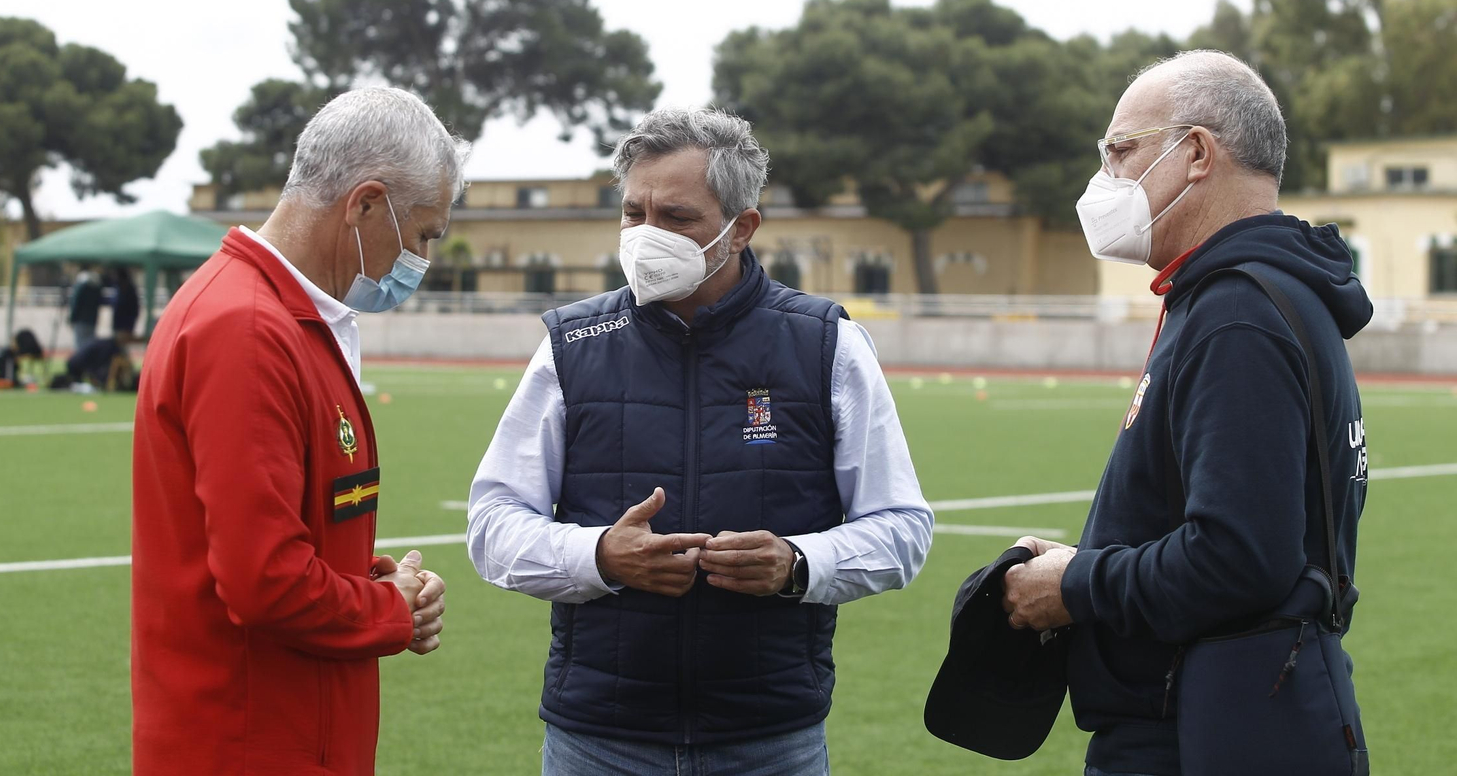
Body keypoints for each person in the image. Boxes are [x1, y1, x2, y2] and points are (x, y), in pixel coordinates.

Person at [467, 106, 933, 775]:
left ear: (742, 228)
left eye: (677, 218)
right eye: (634, 213)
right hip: (598, 739)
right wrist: (599, 553)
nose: (646, 235)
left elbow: (902, 526)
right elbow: (491, 524)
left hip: (770, 740)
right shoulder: (570, 345)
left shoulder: (826, 343)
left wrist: (798, 563)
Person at [1001, 51, 1372, 776]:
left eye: (1120, 151)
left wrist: (1075, 584)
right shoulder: (1251, 294)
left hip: (1208, 726)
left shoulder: (1237, 312)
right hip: (1240, 706)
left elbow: (1239, 560)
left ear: (1196, 152)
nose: (1103, 179)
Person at [132, 87, 467, 776]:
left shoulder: (279, 315)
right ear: (366, 203)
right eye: (426, 233)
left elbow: (286, 533)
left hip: (288, 727)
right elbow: (264, 581)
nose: (424, 258)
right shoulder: (249, 328)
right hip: (252, 738)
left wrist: (378, 583)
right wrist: (384, 605)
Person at [67, 264, 102, 351]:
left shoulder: (80, 284)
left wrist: (72, 318)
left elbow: (76, 302)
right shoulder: (96, 284)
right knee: (90, 347)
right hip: (92, 320)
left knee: (80, 346)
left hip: (81, 320)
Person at [109, 265, 139, 340]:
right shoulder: (120, 288)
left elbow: (133, 309)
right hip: (120, 324)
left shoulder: (127, 290)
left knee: (121, 345)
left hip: (125, 325)